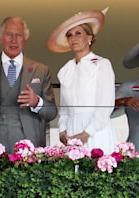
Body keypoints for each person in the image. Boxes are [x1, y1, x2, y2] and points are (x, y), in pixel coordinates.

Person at [0, 16, 57, 152]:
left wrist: (37, 102)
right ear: (0, 38)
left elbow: (52, 112)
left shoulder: (40, 70)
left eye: (19, 35)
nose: (14, 40)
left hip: (29, 144)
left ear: (25, 40)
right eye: (9, 35)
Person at [47, 8, 127, 154]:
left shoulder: (102, 64)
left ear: (89, 37)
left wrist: (86, 134)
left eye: (78, 33)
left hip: (96, 131)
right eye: (70, 35)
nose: (74, 38)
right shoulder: (67, 70)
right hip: (72, 132)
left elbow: (105, 105)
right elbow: (65, 109)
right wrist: (63, 131)